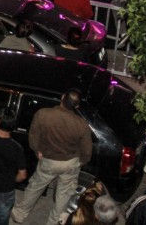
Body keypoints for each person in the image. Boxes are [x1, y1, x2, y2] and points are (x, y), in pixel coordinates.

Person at [11, 89, 92, 225]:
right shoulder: (81, 124)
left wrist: (37, 151)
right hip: (70, 163)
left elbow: (33, 136)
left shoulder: (43, 114)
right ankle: (54, 222)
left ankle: (19, 214)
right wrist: (80, 162)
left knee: (35, 187)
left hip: (49, 161)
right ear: (77, 106)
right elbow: (87, 150)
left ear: (62, 97)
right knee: (63, 196)